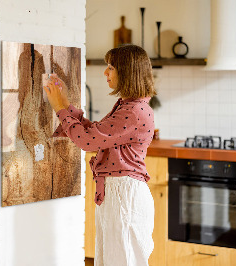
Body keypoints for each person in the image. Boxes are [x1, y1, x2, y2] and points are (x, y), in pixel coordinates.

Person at [43, 44, 156, 266]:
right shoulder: (129, 106)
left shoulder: (133, 111)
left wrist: (59, 108)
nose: (105, 72)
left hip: (124, 195)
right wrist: (65, 104)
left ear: (127, 71)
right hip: (118, 193)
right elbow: (96, 133)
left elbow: (87, 141)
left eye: (111, 67)